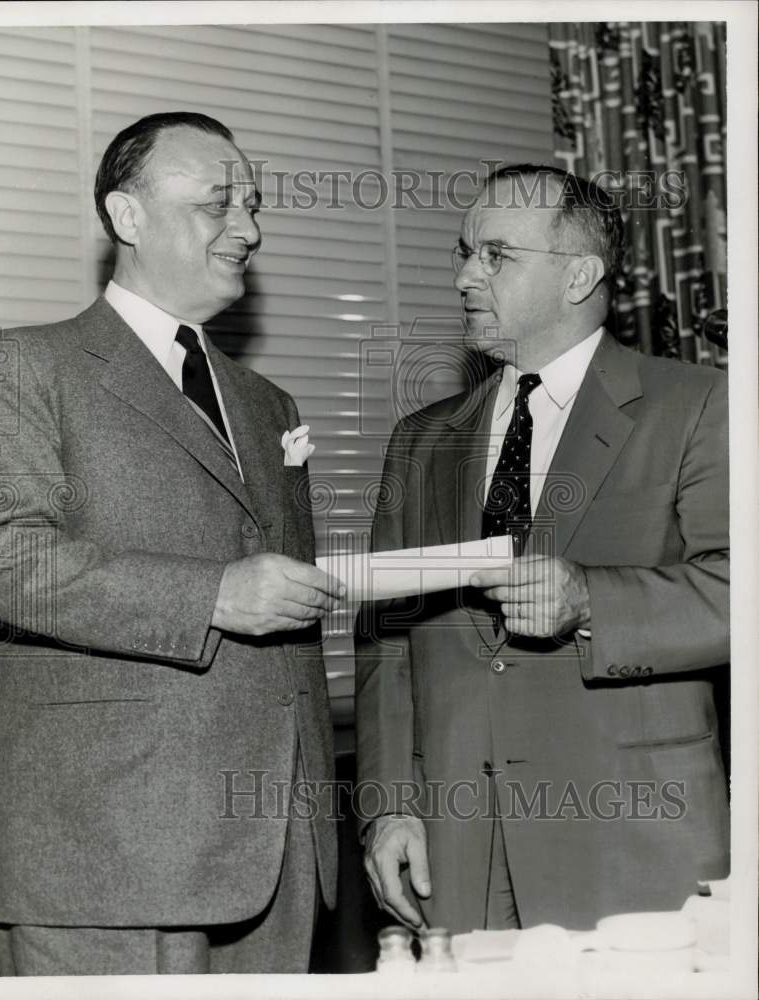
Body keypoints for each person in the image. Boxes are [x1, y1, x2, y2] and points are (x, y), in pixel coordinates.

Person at [0, 111, 344, 975]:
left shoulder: (268, 404)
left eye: (252, 203)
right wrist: (211, 595)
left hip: (278, 847)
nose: (248, 228)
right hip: (103, 853)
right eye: (218, 203)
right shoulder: (19, 367)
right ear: (125, 217)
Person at [354, 164, 729, 934]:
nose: (463, 275)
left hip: (631, 837)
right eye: (463, 251)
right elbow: (387, 645)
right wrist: (387, 808)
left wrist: (590, 599)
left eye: (495, 255)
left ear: (579, 275)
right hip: (454, 851)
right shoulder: (420, 441)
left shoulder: (698, 405)